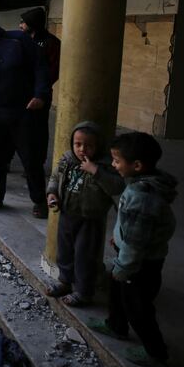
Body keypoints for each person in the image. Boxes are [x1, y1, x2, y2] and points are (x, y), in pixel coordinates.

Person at [87, 132, 177, 367]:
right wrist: (119, 240)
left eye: (117, 161)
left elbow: (137, 240)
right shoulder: (140, 185)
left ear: (137, 165)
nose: (113, 165)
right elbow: (132, 229)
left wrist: (125, 266)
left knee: (138, 308)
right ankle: (116, 325)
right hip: (131, 255)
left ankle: (156, 352)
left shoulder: (142, 197)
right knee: (116, 291)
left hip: (140, 264)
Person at [0, 9, 50, 217]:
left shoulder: (19, 39)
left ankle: (40, 200)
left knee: (31, 160)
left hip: (23, 112)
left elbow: (41, 67)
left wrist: (40, 94)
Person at [45, 121, 124, 306]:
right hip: (67, 214)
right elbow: (55, 178)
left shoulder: (105, 166)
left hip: (90, 219)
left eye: (89, 146)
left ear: (98, 146)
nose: (82, 149)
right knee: (64, 252)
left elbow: (116, 188)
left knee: (84, 257)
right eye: (78, 144)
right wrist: (52, 194)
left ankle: (83, 291)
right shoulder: (68, 160)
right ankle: (64, 281)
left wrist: (95, 171)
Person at [19, 7, 62, 169]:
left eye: (23, 22)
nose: (20, 25)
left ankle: (36, 163)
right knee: (19, 128)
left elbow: (53, 71)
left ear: (32, 23)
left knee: (38, 130)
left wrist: (39, 91)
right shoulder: (22, 40)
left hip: (39, 95)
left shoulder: (51, 43)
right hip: (21, 92)